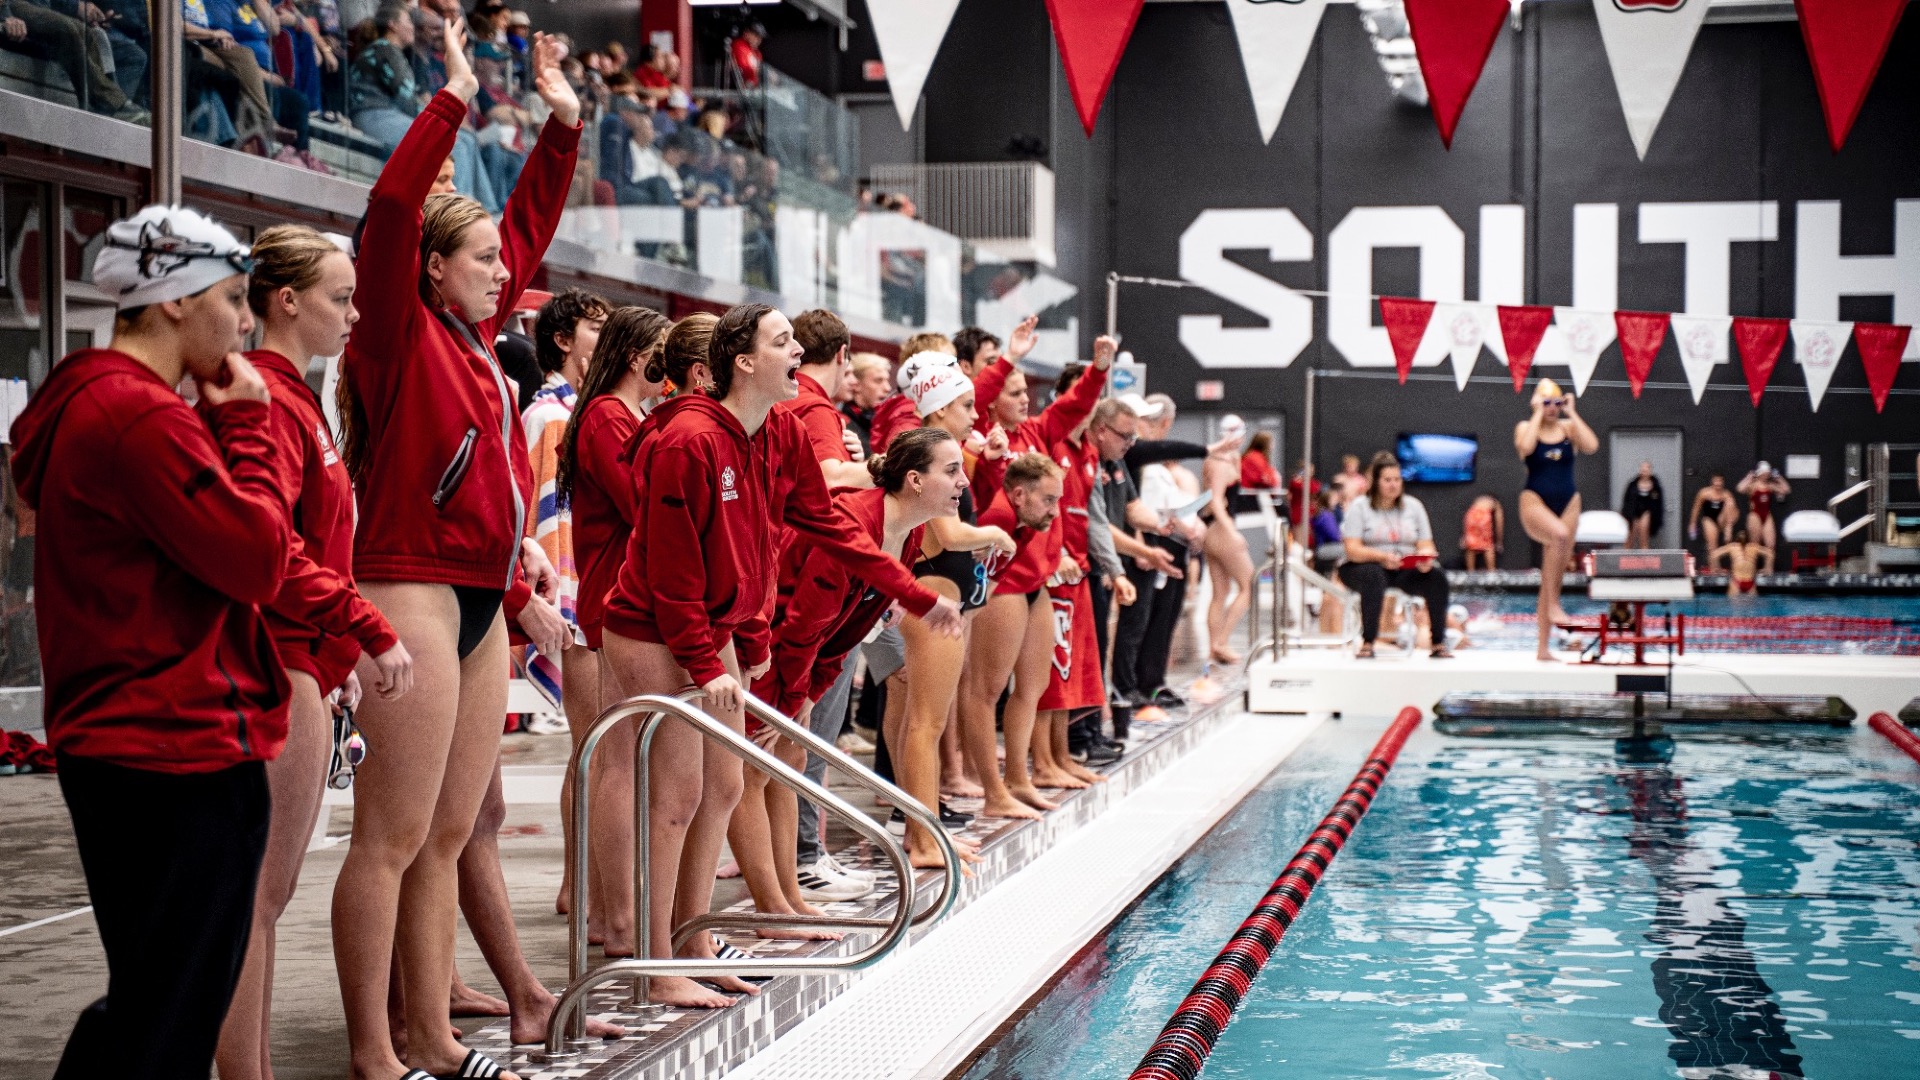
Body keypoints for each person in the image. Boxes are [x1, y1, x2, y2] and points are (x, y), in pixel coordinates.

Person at [329, 21, 580, 1080]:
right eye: (484, 263)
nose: (507, 275)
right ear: (431, 271)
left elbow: (519, 223)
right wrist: (455, 100)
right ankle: (372, 1050)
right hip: (410, 584)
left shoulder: (478, 341)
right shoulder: (394, 334)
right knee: (388, 838)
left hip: (479, 592)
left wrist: (563, 124)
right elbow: (391, 211)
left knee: (442, 833)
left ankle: (430, 1034)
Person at [599, 303, 961, 1009]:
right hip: (652, 627)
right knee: (675, 799)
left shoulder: (782, 431)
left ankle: (694, 941)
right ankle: (652, 961)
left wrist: (914, 598)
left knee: (725, 788)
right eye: (782, 340)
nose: (799, 349)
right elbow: (672, 576)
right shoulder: (689, 442)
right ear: (743, 361)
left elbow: (828, 525)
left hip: (718, 628)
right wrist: (709, 666)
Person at [11, 205, 286, 1078]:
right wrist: (248, 426)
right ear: (172, 300)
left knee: (154, 996)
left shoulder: (91, 403)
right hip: (174, 743)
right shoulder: (137, 417)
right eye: (233, 298)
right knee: (170, 1011)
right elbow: (257, 559)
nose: (245, 324)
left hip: (130, 738)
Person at [215, 226, 416, 1080]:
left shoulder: (296, 401)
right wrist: (365, 626)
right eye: (341, 297)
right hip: (275, 656)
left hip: (303, 659)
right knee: (252, 900)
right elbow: (271, 550)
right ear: (287, 301)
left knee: (263, 898)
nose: (355, 313)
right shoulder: (266, 402)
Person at [738, 428, 970, 921]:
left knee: (786, 764)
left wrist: (809, 693)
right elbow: (801, 626)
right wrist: (797, 697)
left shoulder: (902, 536)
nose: (963, 482)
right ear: (914, 479)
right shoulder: (855, 522)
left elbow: (842, 636)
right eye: (951, 471)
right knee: (753, 772)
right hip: (760, 646)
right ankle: (772, 908)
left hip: (798, 652)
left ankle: (787, 900)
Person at [551, 304, 671, 957]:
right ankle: (616, 918)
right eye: (662, 354)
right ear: (635, 356)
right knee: (617, 762)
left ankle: (609, 910)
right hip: (611, 598)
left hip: (623, 593)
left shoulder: (626, 417)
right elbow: (642, 502)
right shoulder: (602, 418)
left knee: (623, 761)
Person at [896, 352, 1014, 862]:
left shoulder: (947, 456)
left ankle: (921, 830)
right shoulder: (935, 460)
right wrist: (997, 534)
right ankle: (923, 838)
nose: (976, 414)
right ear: (940, 409)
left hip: (939, 593)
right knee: (925, 725)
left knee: (919, 724)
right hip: (934, 594)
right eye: (967, 405)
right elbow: (947, 534)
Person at [1514, 377, 1597, 662]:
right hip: (1534, 501)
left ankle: (1542, 650)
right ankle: (1553, 606)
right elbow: (1525, 448)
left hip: (1569, 503)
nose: (1552, 408)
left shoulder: (1568, 428)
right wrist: (1537, 412)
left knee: (1552, 578)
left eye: (1556, 403)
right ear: (1537, 403)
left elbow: (1592, 446)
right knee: (1560, 536)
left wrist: (1572, 411)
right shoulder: (1527, 427)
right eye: (1546, 402)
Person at [1338, 453, 1452, 660]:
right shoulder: (1360, 507)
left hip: (1403, 567)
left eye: (1397, 480)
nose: (1393, 485)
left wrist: (1425, 557)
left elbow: (1426, 543)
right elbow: (1352, 549)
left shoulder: (1414, 507)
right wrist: (1381, 556)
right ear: (1376, 482)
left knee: (1437, 578)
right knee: (1374, 576)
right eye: (1387, 480)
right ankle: (1368, 641)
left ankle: (1437, 643)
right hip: (1363, 565)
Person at [1199, 420, 1252, 665]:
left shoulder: (1224, 459)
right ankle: (1221, 642)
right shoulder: (1220, 463)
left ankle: (1213, 649)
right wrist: (1232, 532)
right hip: (1221, 530)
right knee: (1248, 585)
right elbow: (1217, 501)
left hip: (1212, 529)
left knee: (1220, 592)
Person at [1737, 461, 1790, 554]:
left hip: (1767, 514)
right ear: (1760, 473)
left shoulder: (1770, 486)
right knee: (1754, 544)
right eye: (1764, 473)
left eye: (1768, 473)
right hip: (1754, 514)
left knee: (1770, 544)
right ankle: (1752, 566)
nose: (1766, 475)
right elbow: (1740, 488)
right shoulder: (1752, 485)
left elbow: (1786, 490)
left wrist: (1779, 478)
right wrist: (1749, 477)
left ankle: (1768, 567)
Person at [1688, 473, 1738, 558]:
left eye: (1720, 481)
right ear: (1712, 481)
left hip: (1723, 520)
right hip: (1709, 519)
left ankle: (1727, 531)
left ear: (1723, 482)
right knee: (1712, 546)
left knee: (1730, 503)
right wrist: (1692, 523)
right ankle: (1714, 567)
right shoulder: (1704, 493)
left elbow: (1735, 512)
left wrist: (1729, 526)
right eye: (1716, 480)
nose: (1718, 483)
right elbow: (1696, 509)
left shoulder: (1726, 494)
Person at [1712, 527, 1772, 596]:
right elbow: (1770, 554)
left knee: (1731, 605)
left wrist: (1717, 569)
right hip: (1748, 582)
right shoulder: (1754, 547)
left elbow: (1714, 554)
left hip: (1737, 582)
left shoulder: (1732, 546)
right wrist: (1767, 568)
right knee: (1753, 606)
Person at [1621, 460, 1664, 549]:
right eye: (1642, 469)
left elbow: (1659, 504)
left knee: (1643, 536)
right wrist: (1625, 515)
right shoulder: (1632, 485)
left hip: (1647, 511)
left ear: (1650, 471)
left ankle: (1645, 557)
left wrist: (1657, 518)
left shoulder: (1656, 486)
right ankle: (1625, 557)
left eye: (1646, 469)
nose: (1644, 472)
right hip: (1633, 512)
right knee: (1630, 538)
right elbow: (1626, 500)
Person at [1460, 493, 1502, 570]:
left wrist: (1464, 536)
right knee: (1488, 545)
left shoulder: (1478, 501)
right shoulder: (1495, 503)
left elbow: (1467, 520)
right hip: (1482, 517)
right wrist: (1499, 542)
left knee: (1470, 545)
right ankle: (1491, 570)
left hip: (1471, 515)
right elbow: (1499, 522)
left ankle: (1470, 570)